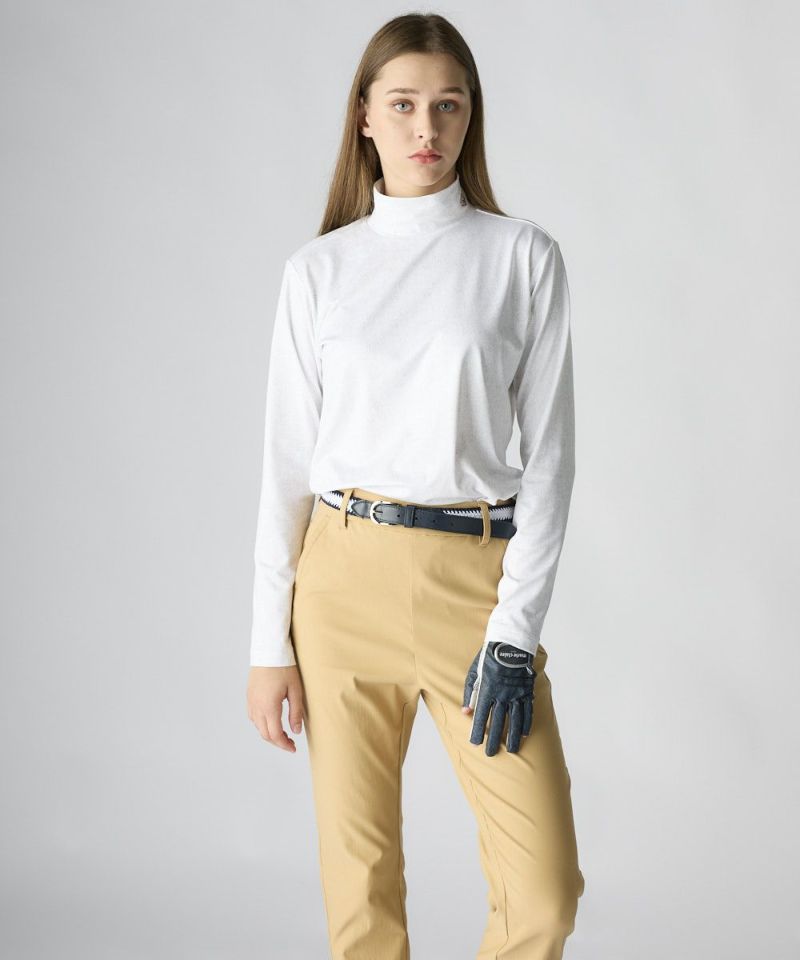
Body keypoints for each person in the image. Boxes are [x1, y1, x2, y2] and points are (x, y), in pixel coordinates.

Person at [246, 12, 585, 959]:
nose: (425, 127)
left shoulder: (521, 256)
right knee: (361, 897)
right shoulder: (320, 271)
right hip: (341, 584)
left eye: (448, 105)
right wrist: (267, 643)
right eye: (402, 105)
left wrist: (514, 632)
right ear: (363, 116)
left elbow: (552, 460)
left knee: (543, 895)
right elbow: (285, 464)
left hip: (475, 587)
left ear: (472, 115)